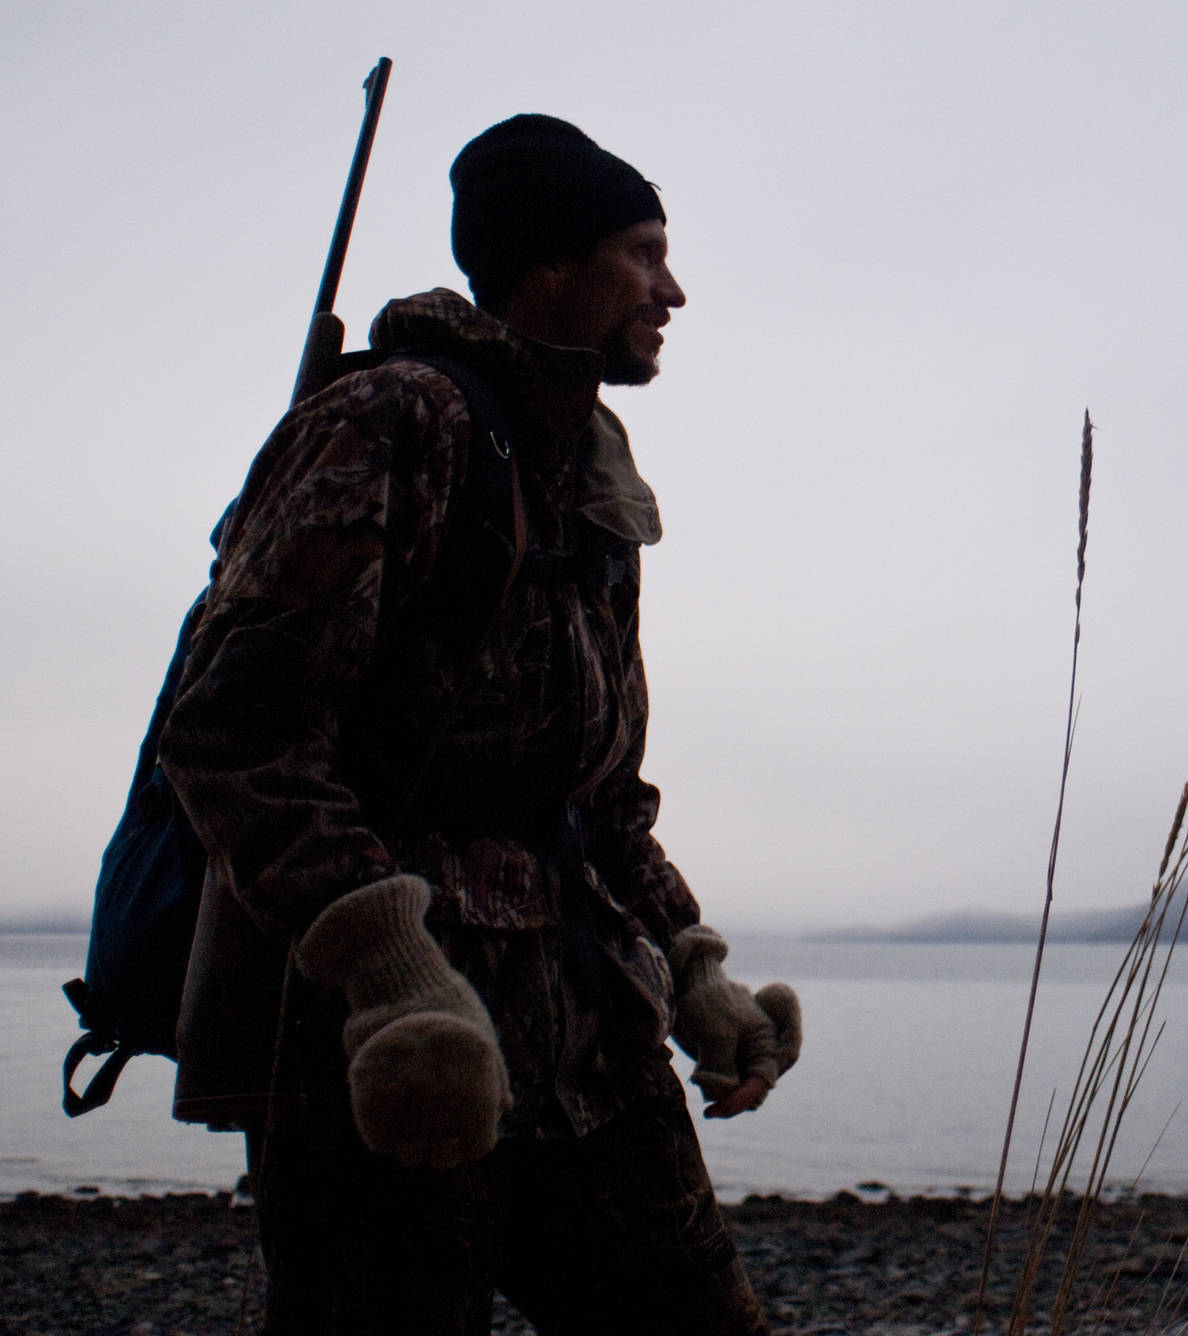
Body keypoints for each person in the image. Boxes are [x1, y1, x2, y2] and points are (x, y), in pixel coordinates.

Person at [157, 114, 797, 1335]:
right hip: (395, 1065)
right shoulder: (397, 422)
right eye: (642, 251)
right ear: (547, 264)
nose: (672, 289)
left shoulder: (592, 466)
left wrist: (694, 969)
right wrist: (391, 977)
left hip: (592, 1046)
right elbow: (231, 730)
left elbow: (596, 793)